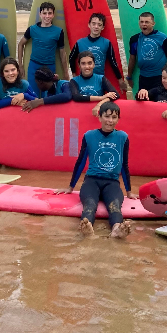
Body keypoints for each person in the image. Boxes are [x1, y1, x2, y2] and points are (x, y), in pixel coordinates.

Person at [55, 101, 135, 239]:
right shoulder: (89, 136)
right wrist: (70, 187)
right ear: (99, 117)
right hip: (92, 180)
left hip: (112, 182)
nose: (110, 121)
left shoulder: (123, 137)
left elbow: (124, 165)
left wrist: (129, 191)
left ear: (118, 119)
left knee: (115, 206)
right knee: (90, 205)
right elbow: (80, 162)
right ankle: (87, 227)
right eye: (107, 116)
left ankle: (117, 228)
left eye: (114, 117)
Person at [17, 2, 69, 96]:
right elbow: (20, 45)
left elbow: (62, 52)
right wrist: (20, 65)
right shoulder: (32, 29)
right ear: (40, 14)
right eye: (44, 13)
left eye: (50, 13)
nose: (47, 16)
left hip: (50, 67)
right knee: (33, 95)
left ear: (53, 15)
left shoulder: (59, 31)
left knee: (48, 96)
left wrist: (66, 72)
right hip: (34, 66)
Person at [67, 12, 127, 93]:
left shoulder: (106, 43)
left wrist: (120, 80)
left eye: (99, 25)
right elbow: (71, 59)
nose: (96, 27)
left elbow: (113, 62)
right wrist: (74, 75)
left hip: (99, 80)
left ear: (103, 27)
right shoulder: (80, 43)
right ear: (89, 25)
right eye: (93, 24)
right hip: (82, 79)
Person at [127, 11, 167, 93]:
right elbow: (132, 59)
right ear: (139, 23)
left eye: (147, 22)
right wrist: (129, 77)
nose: (144, 24)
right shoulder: (134, 39)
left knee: (159, 102)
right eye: (142, 22)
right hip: (143, 77)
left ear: (153, 23)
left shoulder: (163, 38)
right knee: (142, 102)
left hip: (160, 77)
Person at [66, 51, 120, 116]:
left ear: (94, 64)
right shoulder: (73, 81)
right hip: (81, 114)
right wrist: (101, 98)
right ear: (79, 65)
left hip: (97, 114)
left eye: (89, 63)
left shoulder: (101, 78)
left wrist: (99, 104)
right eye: (83, 63)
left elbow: (116, 94)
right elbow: (76, 97)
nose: (87, 66)